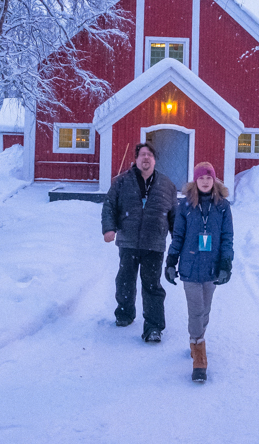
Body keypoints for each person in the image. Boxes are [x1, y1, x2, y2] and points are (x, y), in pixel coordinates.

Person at [164, 162, 233, 382]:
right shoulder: (184, 206)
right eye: (201, 177)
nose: (205, 181)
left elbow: (226, 238)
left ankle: (195, 339)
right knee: (196, 310)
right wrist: (171, 261)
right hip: (190, 266)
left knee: (205, 310)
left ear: (214, 180)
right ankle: (199, 357)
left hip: (212, 267)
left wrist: (225, 264)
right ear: (195, 180)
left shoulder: (222, 207)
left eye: (209, 177)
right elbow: (178, 236)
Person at [101, 142, 177, 343]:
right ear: (135, 159)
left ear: (154, 160)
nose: (146, 158)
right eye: (142, 154)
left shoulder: (167, 184)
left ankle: (153, 327)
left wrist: (179, 240)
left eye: (149, 155)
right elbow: (109, 205)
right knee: (125, 280)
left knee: (152, 285)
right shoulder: (121, 182)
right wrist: (109, 228)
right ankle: (125, 314)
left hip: (154, 243)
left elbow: (174, 216)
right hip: (128, 241)